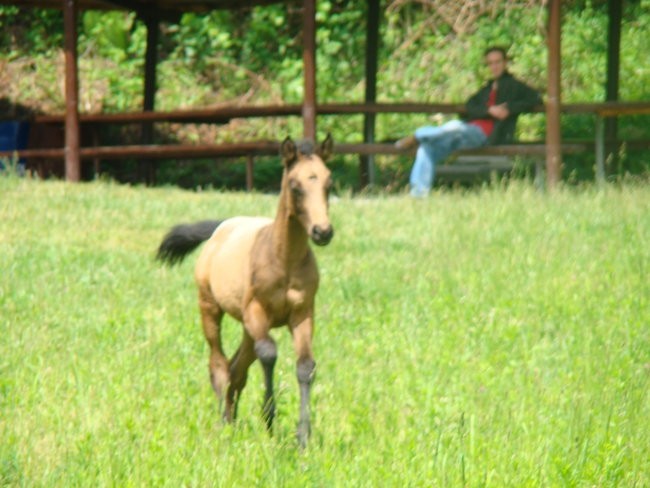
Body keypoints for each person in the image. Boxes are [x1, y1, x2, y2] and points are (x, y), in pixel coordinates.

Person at [397, 46, 542, 197]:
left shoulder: (514, 85)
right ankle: (418, 195)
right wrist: (489, 110)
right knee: (427, 148)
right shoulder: (486, 88)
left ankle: (418, 134)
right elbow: (469, 106)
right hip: (466, 132)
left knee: (453, 127)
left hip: (485, 135)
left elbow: (536, 98)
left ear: (505, 62)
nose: (494, 66)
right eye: (490, 63)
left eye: (498, 62)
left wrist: (509, 108)